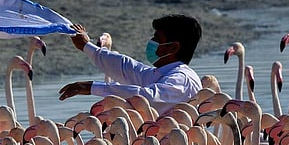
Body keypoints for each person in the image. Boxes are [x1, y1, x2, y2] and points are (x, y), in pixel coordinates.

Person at [58, 14, 203, 115]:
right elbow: (127, 67)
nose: (151, 41)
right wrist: (86, 46)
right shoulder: (162, 74)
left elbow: (146, 97)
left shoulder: (182, 79)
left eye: (157, 38)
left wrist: (93, 87)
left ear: (173, 48)